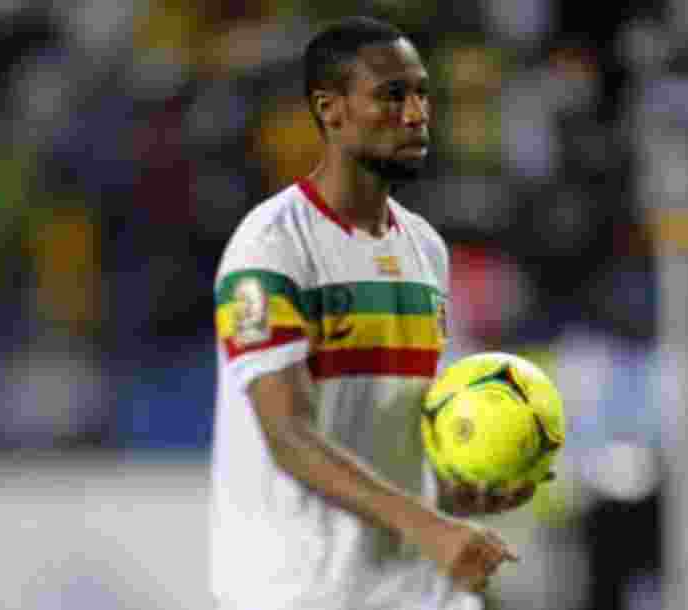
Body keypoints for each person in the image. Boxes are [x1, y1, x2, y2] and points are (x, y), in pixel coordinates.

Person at [210, 16, 537, 610]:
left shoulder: (425, 249)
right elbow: (289, 437)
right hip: (299, 592)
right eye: (392, 96)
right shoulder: (272, 247)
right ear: (330, 110)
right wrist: (429, 525)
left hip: (414, 591)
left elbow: (391, 429)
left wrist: (458, 490)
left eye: (421, 94)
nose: (416, 113)